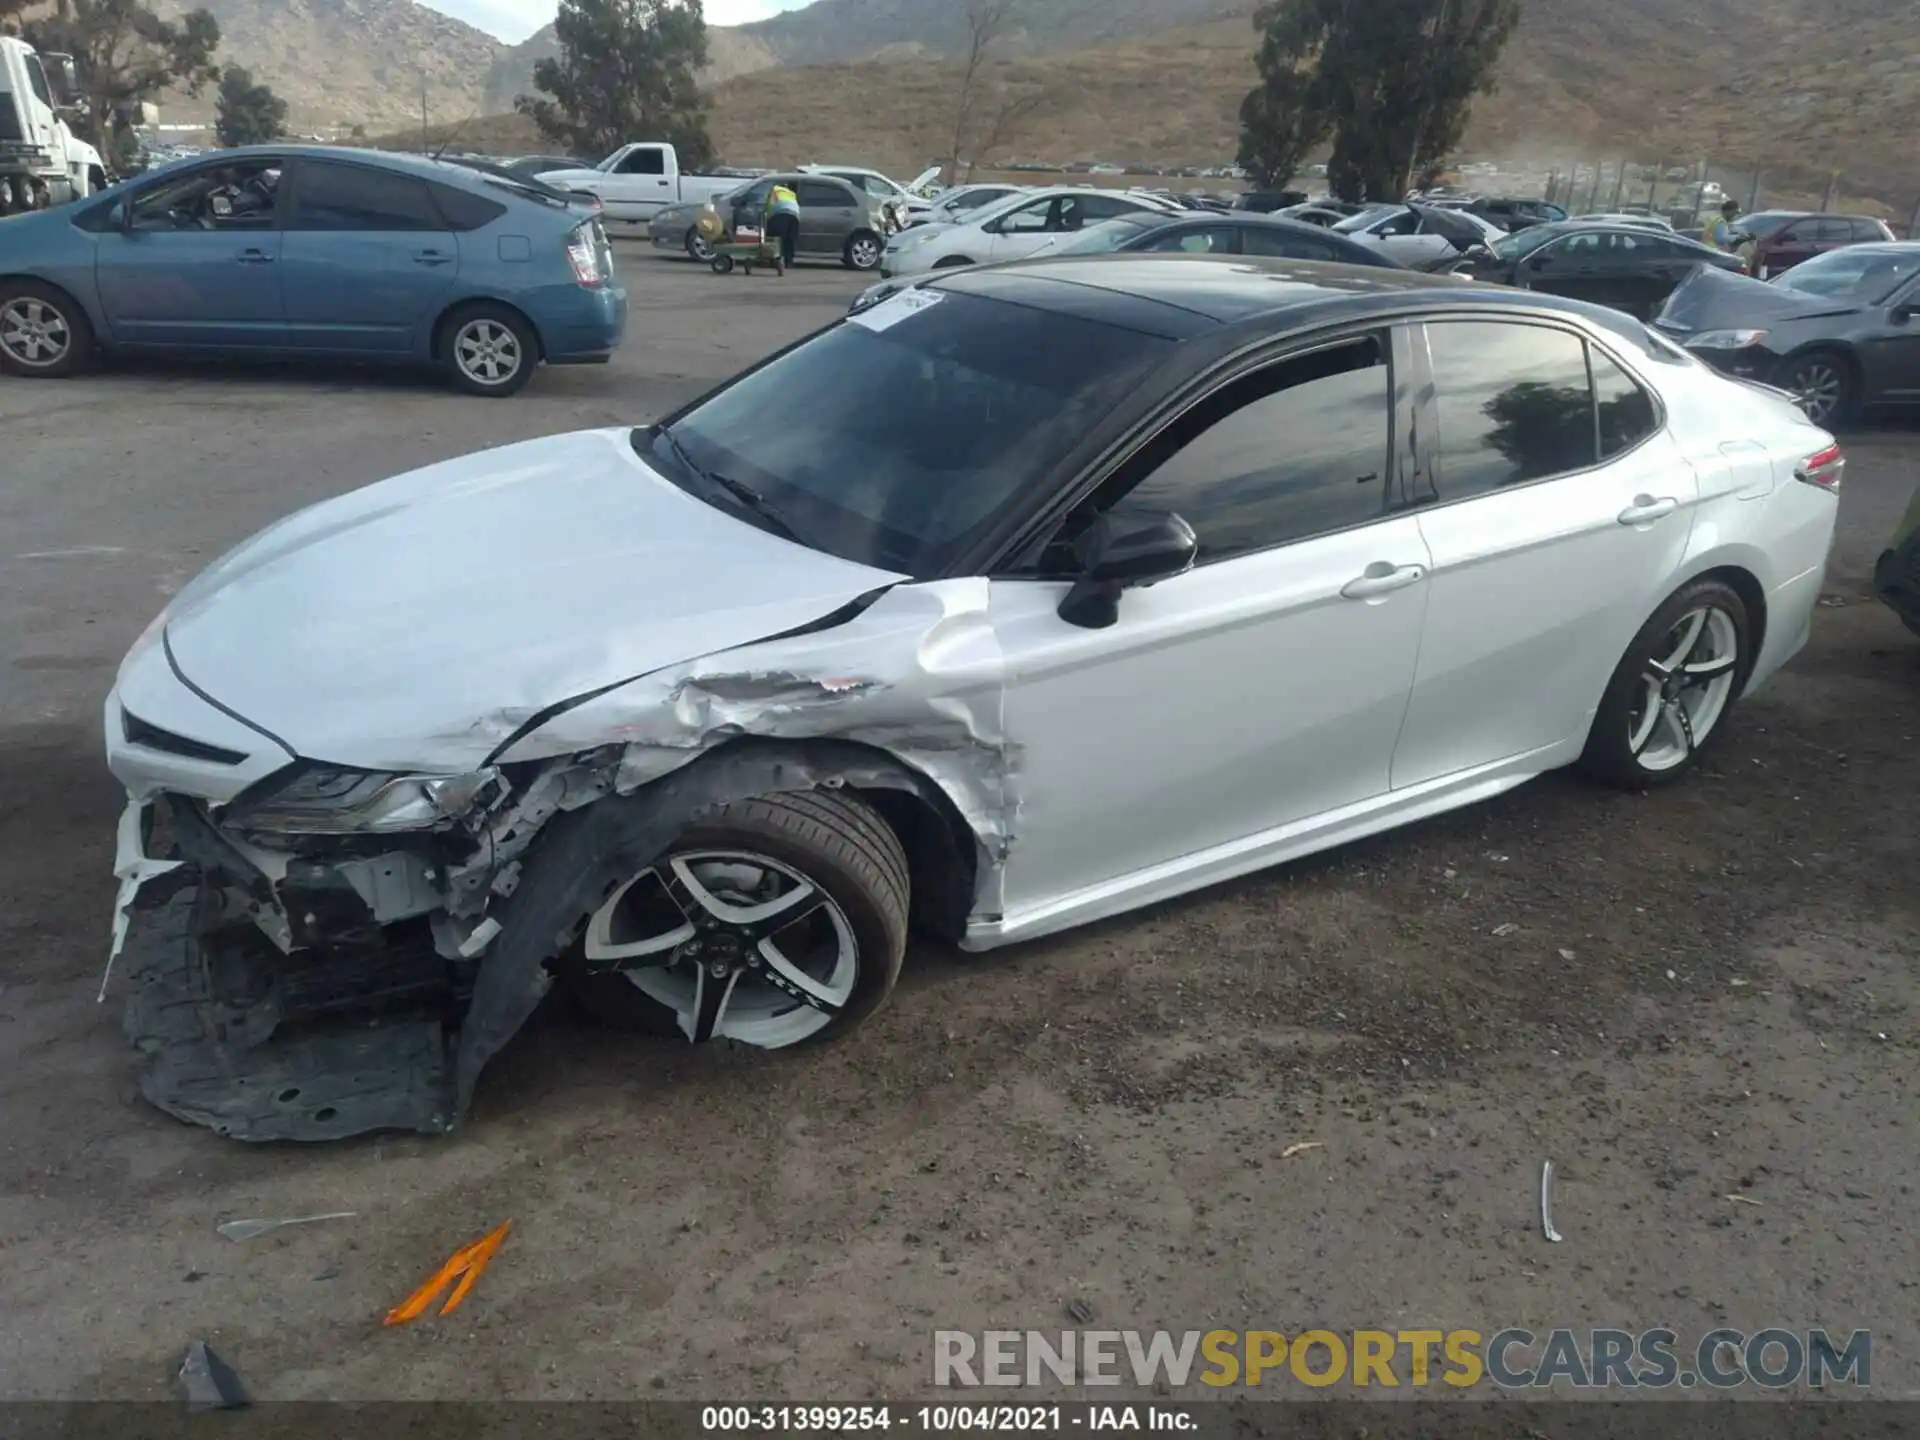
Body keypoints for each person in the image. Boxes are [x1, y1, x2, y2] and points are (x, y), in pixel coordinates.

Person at [766, 181, 801, 267]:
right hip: (794, 215)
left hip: (781, 214)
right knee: (790, 239)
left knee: (776, 237)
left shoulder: (774, 190)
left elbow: (770, 204)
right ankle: (789, 262)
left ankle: (775, 259)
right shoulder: (791, 193)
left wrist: (768, 216)